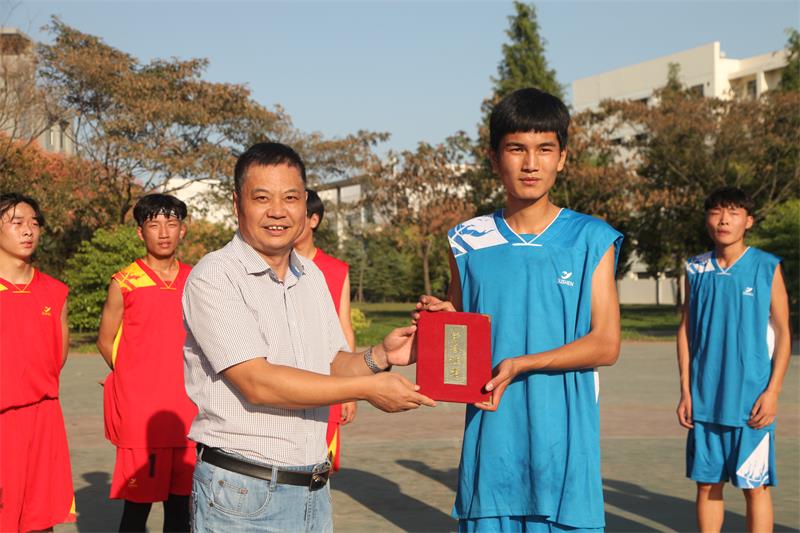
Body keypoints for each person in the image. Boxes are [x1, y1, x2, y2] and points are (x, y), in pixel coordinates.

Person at [182, 141, 435, 532]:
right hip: (244, 495)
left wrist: (381, 356)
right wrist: (368, 390)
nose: (277, 211)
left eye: (290, 197)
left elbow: (332, 363)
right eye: (262, 198)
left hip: (312, 490)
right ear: (237, 204)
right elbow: (258, 382)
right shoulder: (216, 276)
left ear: (305, 205)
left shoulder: (311, 276)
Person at [416, 88, 623, 532]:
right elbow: (461, 328)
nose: (531, 163)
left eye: (544, 149)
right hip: (492, 449)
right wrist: (440, 319)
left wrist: (522, 363)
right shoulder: (466, 240)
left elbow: (606, 344)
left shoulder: (591, 238)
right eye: (516, 149)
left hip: (565, 452)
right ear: (494, 158)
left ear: (562, 157)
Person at [677, 187, 791, 533]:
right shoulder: (695, 268)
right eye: (716, 212)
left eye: (733, 212)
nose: (724, 220)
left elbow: (784, 333)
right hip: (705, 401)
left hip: (751, 403)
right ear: (707, 219)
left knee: (755, 487)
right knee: (707, 486)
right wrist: (685, 391)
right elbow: (685, 331)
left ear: (748, 221)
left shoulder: (766, 266)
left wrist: (772, 392)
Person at [97, 194, 197, 532]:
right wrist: (132, 377)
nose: (164, 232)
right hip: (142, 415)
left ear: (183, 230)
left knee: (181, 509)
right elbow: (105, 340)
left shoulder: (197, 280)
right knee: (136, 508)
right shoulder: (124, 282)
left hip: (188, 410)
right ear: (141, 232)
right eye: (154, 225)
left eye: (172, 224)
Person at [0, 193, 76, 532]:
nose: (28, 231)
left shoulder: (55, 291)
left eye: (34, 223)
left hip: (43, 419)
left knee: (40, 519)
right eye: (17, 223)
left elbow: (57, 357)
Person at [293, 189, 357, 472]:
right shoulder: (272, 264)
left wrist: (350, 391)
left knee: (320, 472)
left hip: (327, 385)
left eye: (297, 213)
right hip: (284, 385)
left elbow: (345, 328)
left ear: (314, 220)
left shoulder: (336, 269)